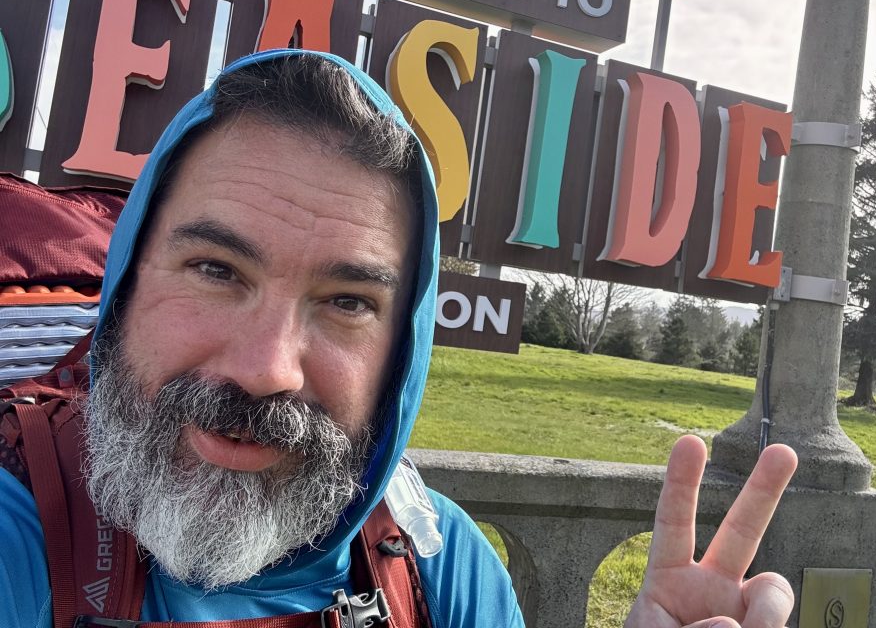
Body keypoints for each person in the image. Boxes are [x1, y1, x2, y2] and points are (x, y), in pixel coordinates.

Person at [0, 48, 797, 628]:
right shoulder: (21, 533)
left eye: (346, 301)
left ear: (401, 356)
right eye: (215, 270)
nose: (266, 368)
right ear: (128, 283)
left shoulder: (442, 568)